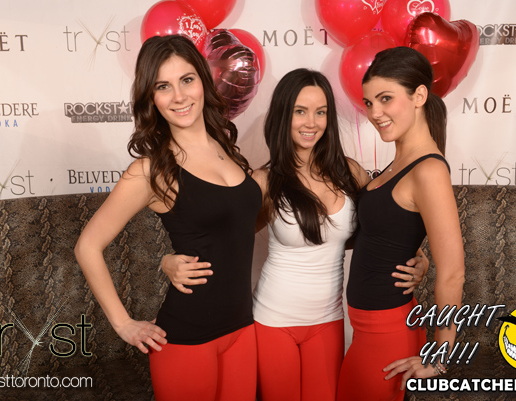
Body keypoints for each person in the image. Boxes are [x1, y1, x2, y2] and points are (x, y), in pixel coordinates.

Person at [162, 68, 429, 401]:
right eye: (300, 111)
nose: (311, 122)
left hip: (329, 320)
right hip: (272, 320)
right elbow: (224, 240)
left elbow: (384, 227)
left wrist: (419, 256)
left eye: (321, 112)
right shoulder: (265, 181)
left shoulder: (349, 172)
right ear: (283, 115)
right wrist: (168, 261)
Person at [74, 34, 261, 401]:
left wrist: (165, 261)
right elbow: (87, 246)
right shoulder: (151, 171)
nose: (179, 96)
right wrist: (123, 324)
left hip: (242, 330)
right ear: (151, 98)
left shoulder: (226, 148)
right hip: (187, 340)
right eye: (163, 86)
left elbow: (233, 230)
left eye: (187, 80)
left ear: (203, 81)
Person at [336, 46, 465, 401]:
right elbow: (389, 229)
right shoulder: (398, 163)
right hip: (366, 328)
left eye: (386, 99)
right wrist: (418, 254)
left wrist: (440, 357)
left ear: (419, 96)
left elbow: (453, 273)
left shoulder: (429, 169)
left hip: (387, 333)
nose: (374, 113)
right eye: (369, 103)